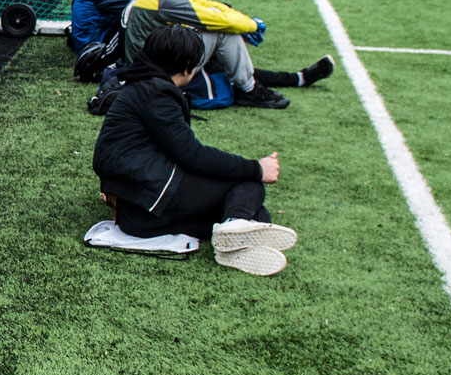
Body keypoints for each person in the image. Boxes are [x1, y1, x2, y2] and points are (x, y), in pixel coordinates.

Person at [93, 24, 300, 275]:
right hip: (150, 201)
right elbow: (192, 155)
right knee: (248, 184)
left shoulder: (142, 86)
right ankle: (235, 225)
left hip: (140, 214)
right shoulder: (156, 92)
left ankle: (235, 234)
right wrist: (257, 168)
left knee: (255, 212)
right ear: (189, 66)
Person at [121, 0, 334, 110]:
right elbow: (216, 18)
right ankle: (251, 90)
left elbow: (207, 5)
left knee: (230, 58)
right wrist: (252, 25)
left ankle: (296, 78)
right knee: (222, 31)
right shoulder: (169, 0)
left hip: (157, 62)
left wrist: (242, 21)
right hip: (157, 74)